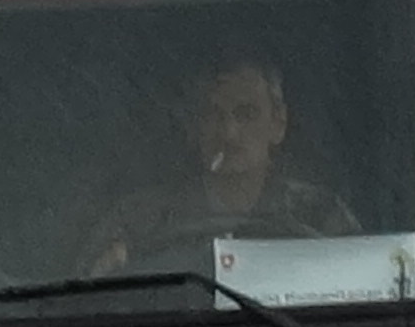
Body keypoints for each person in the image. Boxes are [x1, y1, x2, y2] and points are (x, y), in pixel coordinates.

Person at [83, 53, 358, 273]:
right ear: (194, 126)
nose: (229, 133)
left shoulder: (321, 217)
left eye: (246, 114)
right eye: (213, 115)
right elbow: (92, 302)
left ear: (278, 123)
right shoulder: (139, 222)